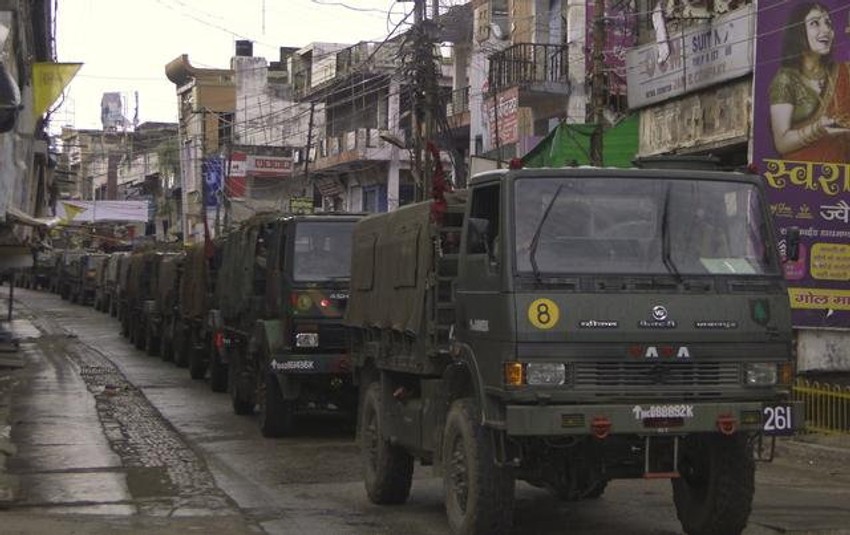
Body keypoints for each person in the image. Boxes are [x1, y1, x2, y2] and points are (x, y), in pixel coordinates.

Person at [769, 3, 850, 162]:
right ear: (798, 31)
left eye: (828, 23)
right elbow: (781, 143)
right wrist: (817, 129)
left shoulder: (844, 72)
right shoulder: (785, 80)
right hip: (799, 173)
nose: (825, 30)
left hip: (841, 172)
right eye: (815, 23)